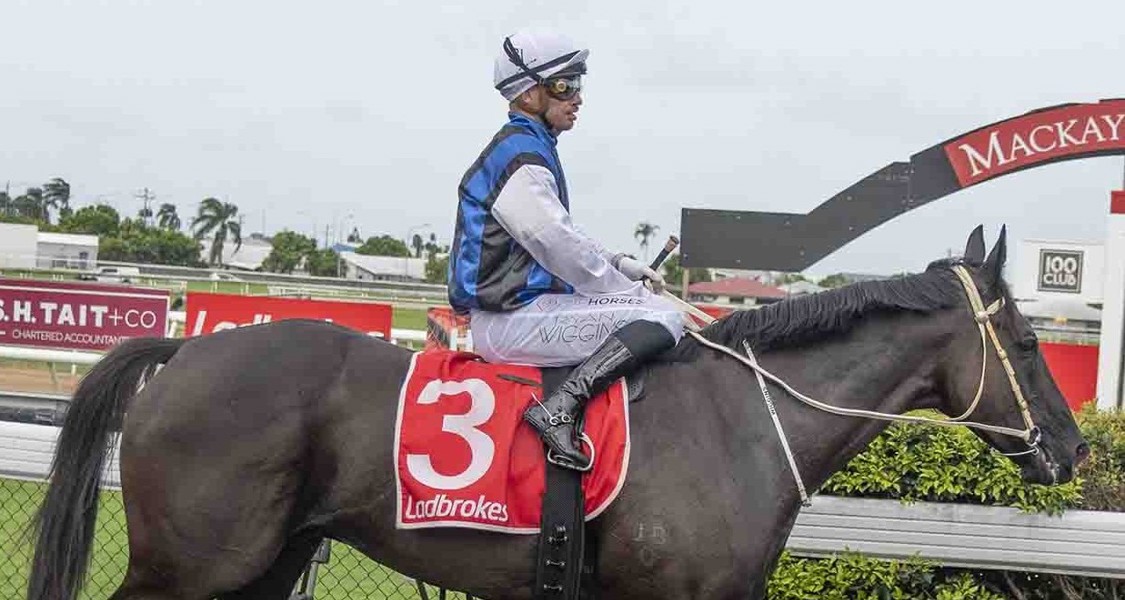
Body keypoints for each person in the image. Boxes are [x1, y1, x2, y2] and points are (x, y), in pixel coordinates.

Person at [447, 30, 684, 471]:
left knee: (649, 310)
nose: (577, 97)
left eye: (578, 84)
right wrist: (628, 294)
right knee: (664, 317)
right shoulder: (519, 154)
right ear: (529, 91)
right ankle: (559, 410)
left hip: (522, 313)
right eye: (565, 85)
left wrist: (620, 265)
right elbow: (557, 246)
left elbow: (563, 237)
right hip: (509, 322)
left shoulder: (530, 147)